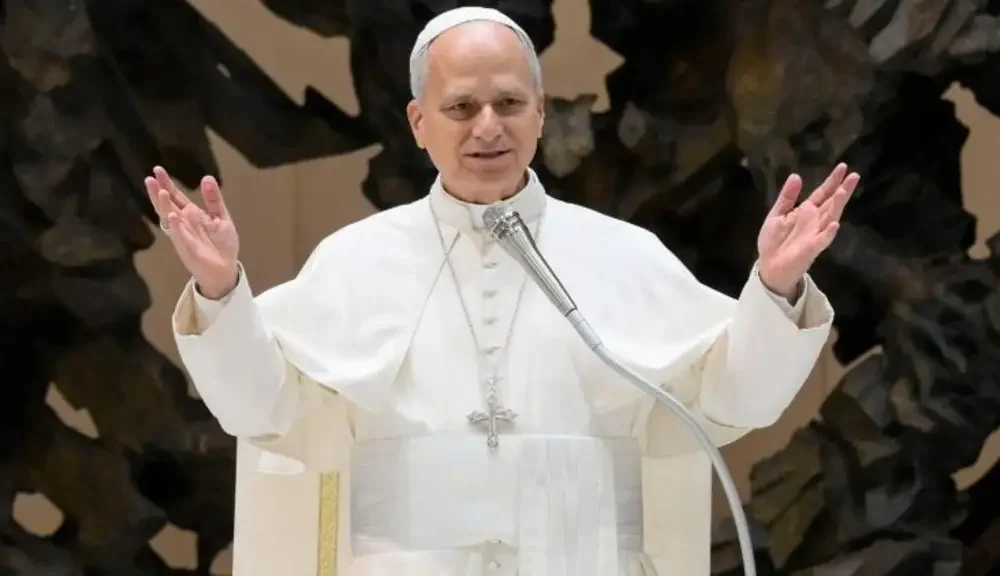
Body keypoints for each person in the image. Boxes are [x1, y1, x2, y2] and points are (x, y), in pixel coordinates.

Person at [146, 6, 855, 576]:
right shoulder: (356, 260)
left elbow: (736, 400)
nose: (488, 127)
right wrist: (220, 289)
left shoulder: (624, 255)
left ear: (540, 113)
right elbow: (260, 409)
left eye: (510, 102)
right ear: (419, 124)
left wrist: (775, 287)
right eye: (461, 107)